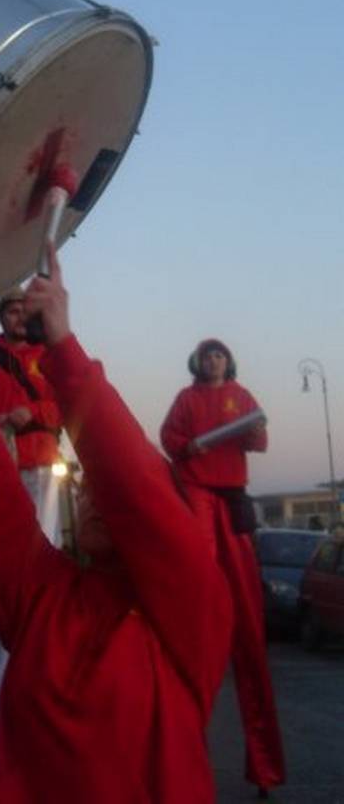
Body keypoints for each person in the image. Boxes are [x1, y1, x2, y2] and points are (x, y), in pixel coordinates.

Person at [0, 248, 233, 803]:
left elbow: (130, 479)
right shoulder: (44, 596)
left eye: (100, 487)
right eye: (88, 486)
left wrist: (63, 347)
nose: (89, 490)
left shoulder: (191, 611)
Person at [160, 339, 286, 798]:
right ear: (197, 362)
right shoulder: (186, 399)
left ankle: (265, 766)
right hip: (198, 499)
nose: (213, 361)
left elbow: (259, 440)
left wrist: (256, 428)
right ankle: (181, 758)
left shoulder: (241, 396)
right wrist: (187, 445)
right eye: (207, 355)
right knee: (196, 613)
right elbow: (170, 439)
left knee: (248, 630)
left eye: (220, 355)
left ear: (227, 362)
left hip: (231, 504)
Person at [0, 285, 64, 802]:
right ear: (2, 316)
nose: (19, 316)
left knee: (44, 569)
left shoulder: (50, 358)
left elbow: (70, 406)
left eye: (25, 309)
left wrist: (38, 414)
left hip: (45, 468)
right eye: (12, 309)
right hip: (5, 477)